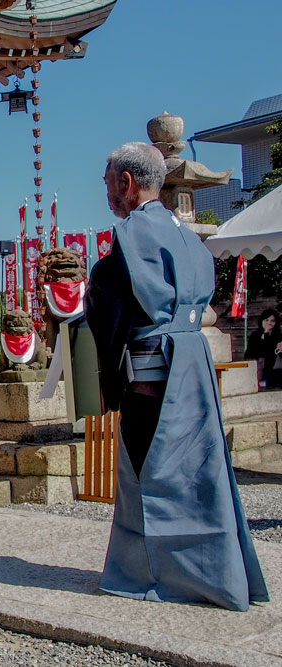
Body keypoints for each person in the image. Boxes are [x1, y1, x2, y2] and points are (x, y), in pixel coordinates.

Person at [85, 142, 268, 611]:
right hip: (194, 366)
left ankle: (155, 574)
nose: (107, 192)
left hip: (153, 373)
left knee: (152, 475)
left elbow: (112, 298)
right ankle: (216, 570)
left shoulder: (133, 234)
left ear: (127, 183)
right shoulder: (188, 236)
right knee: (198, 474)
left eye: (108, 182)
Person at [244, 308, 282, 389]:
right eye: (266, 320)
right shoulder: (255, 336)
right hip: (257, 371)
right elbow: (250, 353)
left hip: (275, 373)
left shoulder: (279, 336)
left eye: (272, 321)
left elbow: (272, 353)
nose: (269, 323)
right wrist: (265, 335)